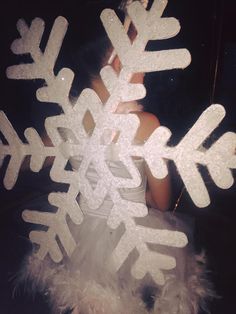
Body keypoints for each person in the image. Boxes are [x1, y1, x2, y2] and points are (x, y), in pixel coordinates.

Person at [15, 4, 214, 314]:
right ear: (116, 62)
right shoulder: (147, 124)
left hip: (79, 233)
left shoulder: (71, 116)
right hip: (134, 238)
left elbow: (36, 152)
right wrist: (144, 193)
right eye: (142, 55)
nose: (147, 67)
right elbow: (162, 203)